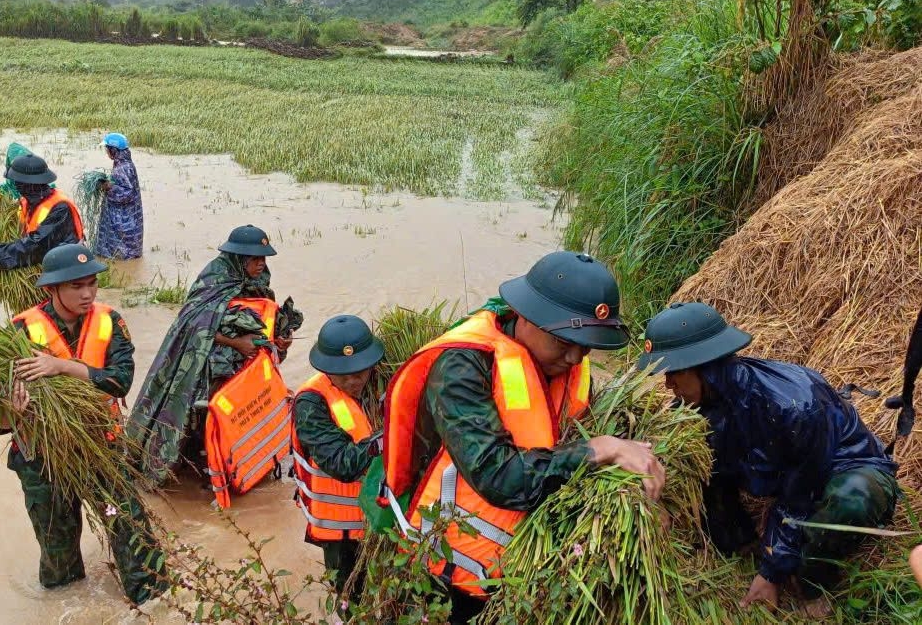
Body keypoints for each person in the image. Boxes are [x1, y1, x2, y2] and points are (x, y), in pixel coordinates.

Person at [381, 251, 666, 623]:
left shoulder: (568, 365)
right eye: (564, 342)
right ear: (527, 316)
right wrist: (596, 450)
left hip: (517, 573)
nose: (575, 357)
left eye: (586, 345)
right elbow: (498, 476)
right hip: (446, 575)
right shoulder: (461, 368)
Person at [638, 302, 899, 618]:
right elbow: (678, 460)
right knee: (703, 459)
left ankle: (812, 581)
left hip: (844, 465)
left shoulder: (795, 405)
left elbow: (801, 493)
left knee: (851, 500)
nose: (668, 385)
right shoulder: (702, 402)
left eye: (674, 373)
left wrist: (771, 572)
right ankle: (739, 540)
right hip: (786, 471)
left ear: (705, 368)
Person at [6, 243, 167, 604]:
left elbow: (120, 381)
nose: (87, 293)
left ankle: (154, 601)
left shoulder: (111, 321)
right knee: (57, 541)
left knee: (123, 520)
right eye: (76, 286)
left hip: (101, 449)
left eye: (92, 283)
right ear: (52, 289)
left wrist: (62, 367)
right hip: (44, 460)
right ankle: (66, 607)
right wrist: (12, 407)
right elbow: (0, 408)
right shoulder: (20, 329)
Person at [128, 225, 303, 486]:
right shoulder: (214, 280)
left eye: (264, 259)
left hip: (244, 367)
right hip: (205, 366)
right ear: (239, 258)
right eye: (255, 259)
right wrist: (236, 343)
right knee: (200, 417)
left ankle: (244, 463)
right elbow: (193, 325)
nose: (261, 264)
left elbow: (264, 322)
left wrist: (280, 344)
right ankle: (199, 466)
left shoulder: (258, 283)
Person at [292, 315, 384, 597]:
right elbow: (341, 463)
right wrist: (386, 439)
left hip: (382, 519)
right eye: (344, 375)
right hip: (342, 530)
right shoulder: (310, 403)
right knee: (352, 599)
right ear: (327, 369)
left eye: (360, 372)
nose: (354, 381)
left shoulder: (380, 382)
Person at [0, 154, 83, 271]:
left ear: (29, 184)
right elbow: (17, 232)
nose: (16, 185)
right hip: (45, 263)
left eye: (18, 182)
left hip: (67, 267)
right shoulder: (26, 202)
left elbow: (36, 246)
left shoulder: (60, 208)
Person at [94, 133, 143, 260]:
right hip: (129, 213)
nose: (106, 152)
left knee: (121, 247)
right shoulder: (125, 163)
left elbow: (127, 193)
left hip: (123, 216)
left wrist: (108, 187)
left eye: (107, 149)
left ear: (113, 149)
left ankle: (123, 259)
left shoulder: (121, 168)